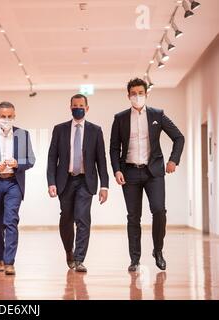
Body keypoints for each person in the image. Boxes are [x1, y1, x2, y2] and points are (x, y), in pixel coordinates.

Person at [110, 78, 184, 272]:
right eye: (133, 94)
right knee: (133, 217)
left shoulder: (157, 115)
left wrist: (173, 160)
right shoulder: (120, 118)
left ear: (146, 94)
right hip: (130, 173)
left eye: (140, 93)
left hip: (154, 173)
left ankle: (158, 251)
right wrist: (117, 169)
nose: (137, 97)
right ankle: (135, 259)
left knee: (159, 211)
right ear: (128, 96)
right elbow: (113, 148)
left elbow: (178, 137)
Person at [47, 94, 109, 272]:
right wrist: (51, 182)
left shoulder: (95, 130)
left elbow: (101, 160)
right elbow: (52, 158)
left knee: (83, 218)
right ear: (70, 107)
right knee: (66, 219)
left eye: (81, 105)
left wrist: (104, 185)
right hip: (64, 180)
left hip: (85, 180)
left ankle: (80, 259)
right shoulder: (59, 129)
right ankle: (69, 252)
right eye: (75, 105)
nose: (78, 108)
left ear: (87, 108)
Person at [0, 101, 35, 275]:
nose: (6, 119)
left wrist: (18, 163)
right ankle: (0, 258)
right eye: (3, 116)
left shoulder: (23, 135)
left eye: (9, 116)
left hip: (13, 183)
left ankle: (10, 261)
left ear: (14, 116)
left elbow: (31, 160)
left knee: (11, 221)